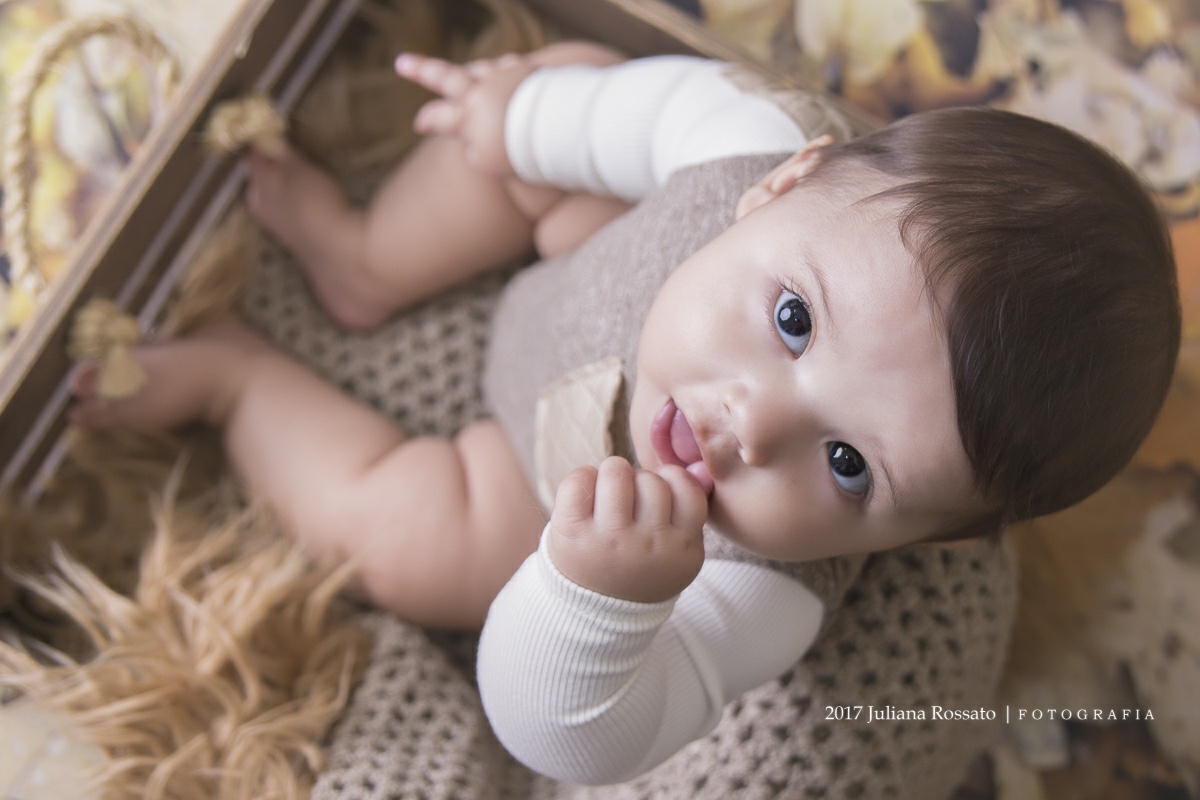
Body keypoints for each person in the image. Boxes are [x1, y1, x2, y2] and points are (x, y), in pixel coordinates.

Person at [68, 44, 1179, 788]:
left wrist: (596, 595)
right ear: (788, 182)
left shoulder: (761, 593)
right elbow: (638, 110)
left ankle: (235, 381)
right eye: (793, 319)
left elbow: (568, 736)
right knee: (554, 112)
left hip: (536, 483)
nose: (753, 425)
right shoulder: (739, 141)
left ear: (922, 539)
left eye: (848, 463)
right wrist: (522, 112)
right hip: (579, 263)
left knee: (411, 543)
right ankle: (365, 259)